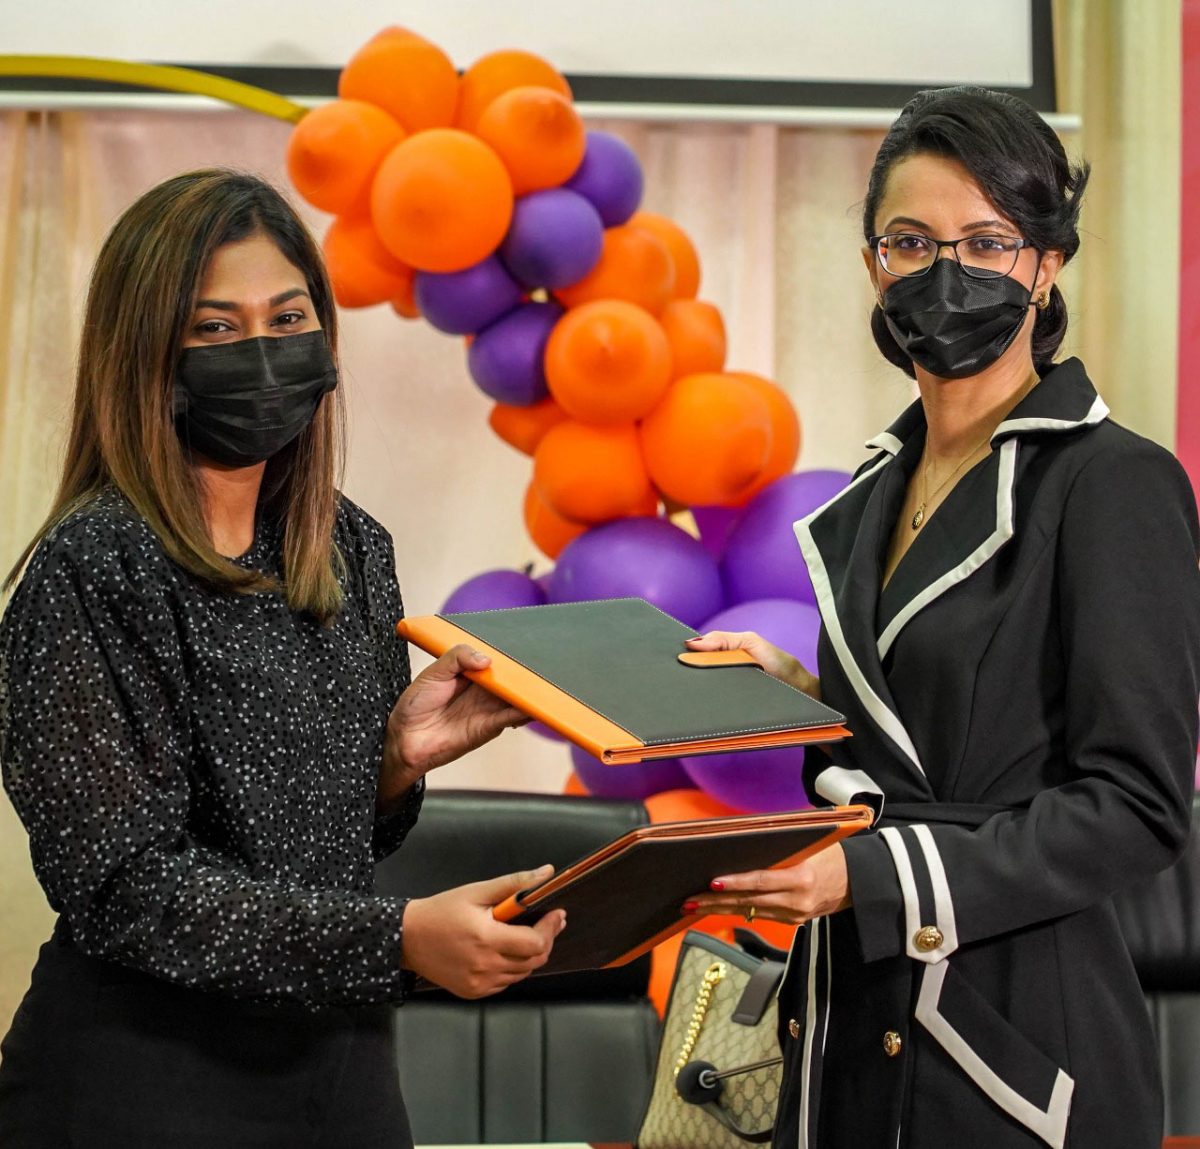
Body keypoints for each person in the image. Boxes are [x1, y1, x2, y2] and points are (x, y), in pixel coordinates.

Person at [0, 169, 566, 1149]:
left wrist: (393, 763)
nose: (260, 355)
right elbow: (126, 892)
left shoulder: (350, 548)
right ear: (148, 355)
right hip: (140, 1086)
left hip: (339, 1074)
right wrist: (400, 940)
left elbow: (322, 849)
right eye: (215, 329)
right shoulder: (92, 566)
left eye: (287, 317)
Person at [684, 86, 1200, 1149]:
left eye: (987, 240)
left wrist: (872, 875)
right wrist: (804, 698)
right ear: (875, 261)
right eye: (911, 241)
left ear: (1046, 263)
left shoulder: (1113, 483)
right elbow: (929, 737)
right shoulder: (874, 492)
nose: (945, 272)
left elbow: (1140, 805)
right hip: (848, 1018)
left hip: (1012, 1041)